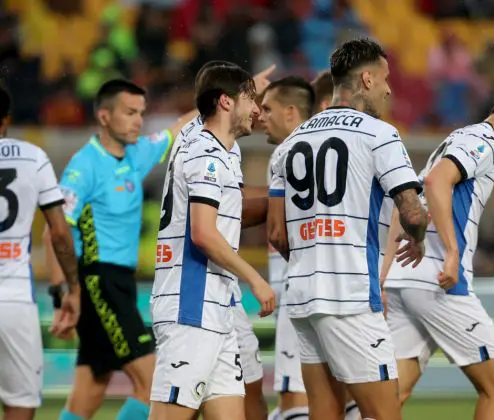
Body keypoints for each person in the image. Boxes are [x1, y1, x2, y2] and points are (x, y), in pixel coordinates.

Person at [267, 38, 429, 420]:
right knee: (385, 414)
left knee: (324, 413)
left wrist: (313, 256)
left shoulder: (292, 143)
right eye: (386, 79)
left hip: (302, 296)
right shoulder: (379, 134)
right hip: (350, 297)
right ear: (368, 79)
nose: (389, 89)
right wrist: (417, 238)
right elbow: (414, 213)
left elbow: (276, 234)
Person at [381, 75, 494, 420]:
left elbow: (408, 199)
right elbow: (435, 181)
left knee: (389, 397)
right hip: (440, 282)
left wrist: (384, 274)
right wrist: (452, 251)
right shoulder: (484, 140)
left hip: (406, 280)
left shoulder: (455, 139)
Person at [45, 79, 191, 420]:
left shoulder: (136, 154)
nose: (138, 120)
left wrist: (229, 94)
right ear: (104, 116)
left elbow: (179, 127)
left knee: (90, 389)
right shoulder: (84, 168)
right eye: (129, 112)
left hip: (117, 282)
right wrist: (63, 294)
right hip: (98, 281)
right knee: (153, 380)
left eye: (141, 112)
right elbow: (54, 234)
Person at [149, 63, 276, 420]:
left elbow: (191, 116)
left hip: (218, 309)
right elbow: (203, 233)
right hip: (190, 308)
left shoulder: (222, 149)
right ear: (225, 102)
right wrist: (255, 278)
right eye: (251, 100)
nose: (257, 109)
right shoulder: (206, 154)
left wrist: (250, 85)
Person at [0, 86, 80, 420]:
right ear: (6, 120)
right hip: (14, 297)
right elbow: (59, 232)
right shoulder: (32, 156)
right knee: (21, 402)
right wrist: (71, 290)